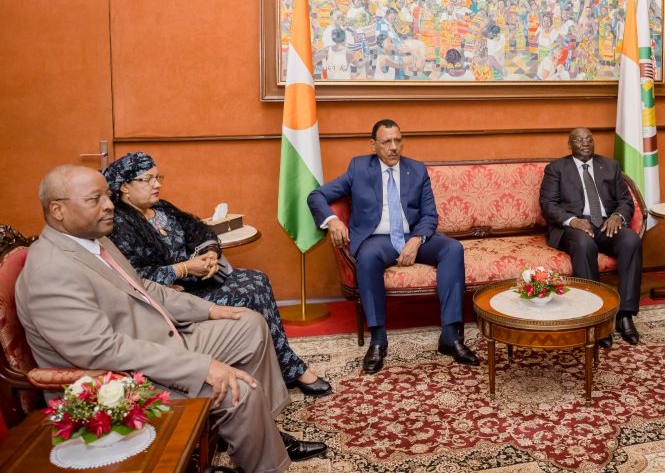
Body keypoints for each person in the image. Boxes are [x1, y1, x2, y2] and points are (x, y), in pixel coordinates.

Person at [16, 165, 327, 472]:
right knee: (238, 390)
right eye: (95, 199)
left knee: (248, 324)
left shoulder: (95, 241)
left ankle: (262, 431)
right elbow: (101, 350)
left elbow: (143, 287)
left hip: (156, 339)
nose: (109, 205)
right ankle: (264, 462)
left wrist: (208, 310)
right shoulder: (51, 270)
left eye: (107, 196)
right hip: (122, 380)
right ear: (57, 210)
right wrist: (203, 367)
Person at [102, 152, 331, 397]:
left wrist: (210, 254)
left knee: (258, 279)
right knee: (250, 293)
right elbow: (133, 277)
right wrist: (185, 268)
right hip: (173, 297)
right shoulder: (119, 224)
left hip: (197, 281)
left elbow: (200, 231)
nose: (156, 184)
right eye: (147, 179)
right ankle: (290, 368)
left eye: (158, 177)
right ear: (124, 186)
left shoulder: (161, 208)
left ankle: (282, 364)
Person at [306, 119, 480, 374]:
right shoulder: (358, 168)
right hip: (378, 239)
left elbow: (429, 215)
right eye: (387, 141)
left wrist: (416, 240)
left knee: (452, 249)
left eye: (398, 140)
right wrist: (332, 220)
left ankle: (450, 336)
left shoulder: (416, 170)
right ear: (373, 145)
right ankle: (378, 340)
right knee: (367, 258)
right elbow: (317, 195)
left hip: (413, 235)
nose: (394, 147)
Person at [539, 127, 643, 347]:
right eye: (579, 140)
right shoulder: (556, 169)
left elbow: (625, 201)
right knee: (584, 243)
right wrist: (573, 221)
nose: (585, 143)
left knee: (631, 240)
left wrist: (617, 216)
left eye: (589, 139)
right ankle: (597, 316)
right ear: (570, 145)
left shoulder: (610, 166)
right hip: (573, 227)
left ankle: (625, 315)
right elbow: (548, 205)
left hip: (605, 224)